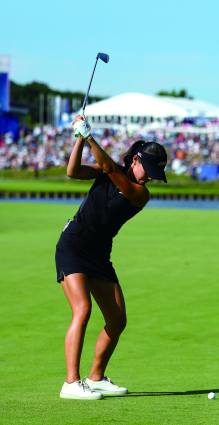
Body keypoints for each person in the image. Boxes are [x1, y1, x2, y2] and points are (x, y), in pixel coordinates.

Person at [56, 115, 168, 400]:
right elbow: (72, 171)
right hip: (74, 244)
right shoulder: (110, 169)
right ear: (135, 161)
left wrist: (90, 135)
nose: (150, 177)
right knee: (82, 310)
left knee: (117, 320)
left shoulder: (141, 194)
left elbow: (108, 167)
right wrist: (81, 138)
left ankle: (95, 378)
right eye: (149, 169)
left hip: (99, 254)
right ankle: (70, 383)